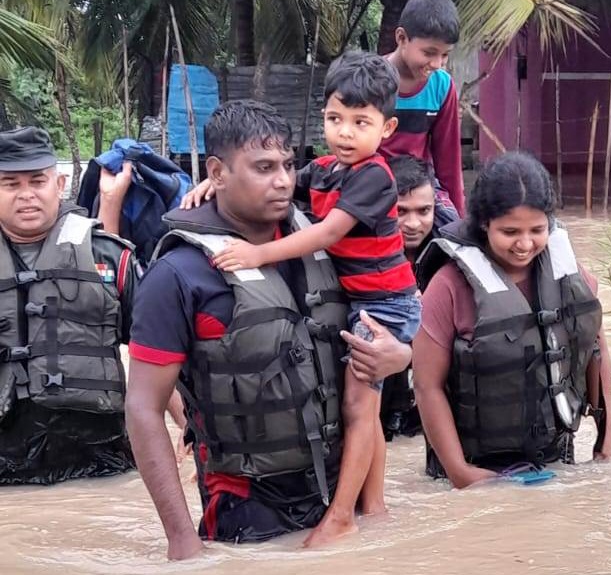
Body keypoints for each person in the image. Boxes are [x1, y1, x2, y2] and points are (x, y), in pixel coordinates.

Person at [126, 100, 413, 560]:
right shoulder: (177, 275)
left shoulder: (329, 242)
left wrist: (401, 356)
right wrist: (181, 540)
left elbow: (392, 319)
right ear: (216, 173)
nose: (282, 180)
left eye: (287, 165)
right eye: (263, 168)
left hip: (346, 498)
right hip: (248, 508)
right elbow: (142, 408)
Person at [182, 51, 421, 524]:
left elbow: (329, 232)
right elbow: (280, 186)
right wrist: (212, 187)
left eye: (360, 121)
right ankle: (374, 508)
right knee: (362, 408)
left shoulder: (374, 176)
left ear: (386, 130)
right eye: (335, 118)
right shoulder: (329, 168)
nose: (345, 132)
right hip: (360, 298)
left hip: (385, 305)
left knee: (358, 407)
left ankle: (351, 515)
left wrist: (256, 255)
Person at [413, 151, 611, 489]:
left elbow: (596, 352)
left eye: (537, 230)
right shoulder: (448, 286)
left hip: (555, 459)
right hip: (472, 467)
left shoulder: (569, 275)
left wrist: (606, 442)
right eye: (509, 232)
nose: (524, 244)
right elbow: (426, 386)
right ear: (484, 224)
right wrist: (461, 473)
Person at [0, 126, 142, 485]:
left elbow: (154, 354)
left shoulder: (107, 255)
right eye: (10, 184)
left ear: (60, 185)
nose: (26, 195)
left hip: (99, 457)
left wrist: (189, 427)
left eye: (37, 181)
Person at [382, 0, 464, 227]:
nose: (437, 64)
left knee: (451, 236)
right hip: (375, 184)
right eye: (429, 53)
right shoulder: (373, 81)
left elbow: (449, 161)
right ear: (401, 38)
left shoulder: (442, 86)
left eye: (445, 55)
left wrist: (459, 223)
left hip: (422, 189)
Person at [380, 155, 441, 439]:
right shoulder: (361, 256)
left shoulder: (450, 253)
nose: (412, 223)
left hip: (427, 405)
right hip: (380, 400)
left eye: (423, 211)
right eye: (400, 211)